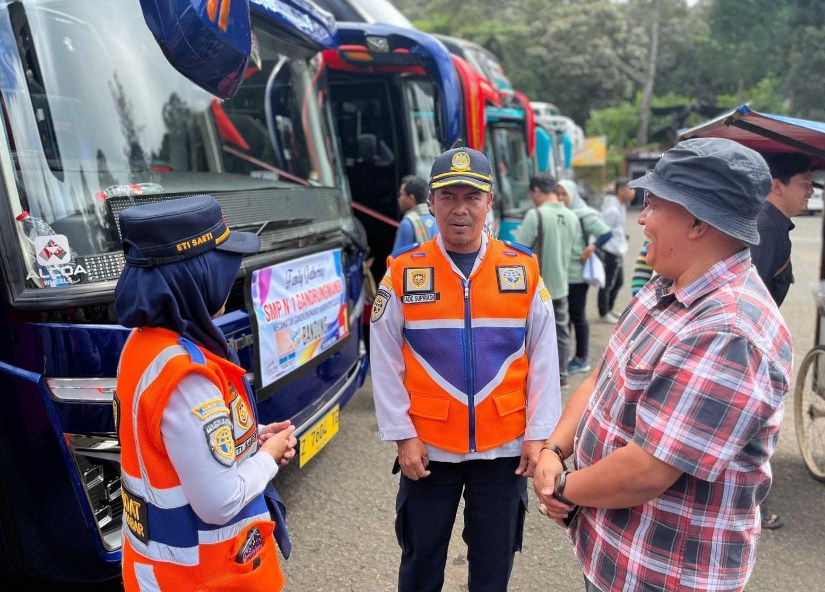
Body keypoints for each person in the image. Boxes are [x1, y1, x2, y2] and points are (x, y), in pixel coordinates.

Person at [533, 138, 793, 592]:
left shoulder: (729, 331)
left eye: (653, 205)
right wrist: (554, 451)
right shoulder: (664, 287)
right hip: (619, 557)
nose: (642, 219)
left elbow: (649, 470)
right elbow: (603, 376)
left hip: (665, 575)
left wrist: (563, 488)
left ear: (696, 221)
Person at [370, 147, 562, 592]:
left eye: (472, 197)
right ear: (431, 203)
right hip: (429, 450)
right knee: (420, 563)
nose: (460, 209)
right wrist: (403, 433)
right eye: (449, 197)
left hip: (503, 451)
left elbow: (544, 358)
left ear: (489, 202)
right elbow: (384, 360)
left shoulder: (522, 269)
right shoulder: (403, 272)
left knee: (493, 568)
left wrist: (539, 435)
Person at [114, 195, 297, 591]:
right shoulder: (187, 376)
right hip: (205, 579)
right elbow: (219, 502)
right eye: (220, 269)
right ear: (196, 278)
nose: (228, 283)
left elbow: (173, 446)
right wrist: (266, 457)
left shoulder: (144, 345)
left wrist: (251, 438)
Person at [749, 151, 813, 530]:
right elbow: (750, 297)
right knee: (748, 433)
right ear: (777, 186)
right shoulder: (766, 230)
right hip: (750, 349)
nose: (810, 193)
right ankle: (749, 508)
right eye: (804, 185)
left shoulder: (774, 226)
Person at [514, 174, 579, 388]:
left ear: (536, 191)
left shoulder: (536, 214)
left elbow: (519, 249)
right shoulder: (572, 216)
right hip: (561, 285)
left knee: (533, 334)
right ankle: (561, 375)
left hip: (537, 288)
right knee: (561, 331)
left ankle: (536, 378)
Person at [556, 179, 612, 375]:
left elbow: (606, 233)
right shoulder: (561, 215)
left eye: (564, 194)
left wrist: (592, 247)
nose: (561, 198)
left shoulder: (583, 215)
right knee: (568, 317)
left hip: (578, 275)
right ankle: (569, 357)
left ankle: (582, 358)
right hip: (564, 273)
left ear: (572, 195)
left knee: (577, 316)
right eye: (558, 194)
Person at [597, 176, 636, 323]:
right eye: (630, 188)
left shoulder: (621, 205)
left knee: (618, 282)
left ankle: (609, 308)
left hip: (617, 248)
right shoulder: (612, 209)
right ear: (621, 190)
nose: (633, 192)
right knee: (608, 283)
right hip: (610, 250)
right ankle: (604, 311)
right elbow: (603, 231)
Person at [392, 174, 438, 251]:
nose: (399, 199)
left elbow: (396, 259)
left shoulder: (407, 224)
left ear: (411, 198)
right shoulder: (437, 221)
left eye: (401, 194)